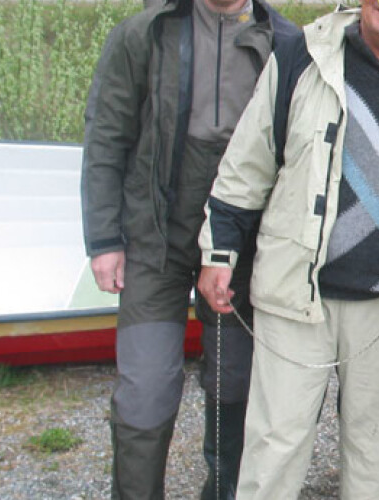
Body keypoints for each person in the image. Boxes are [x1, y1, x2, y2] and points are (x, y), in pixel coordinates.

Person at [196, 0, 379, 497]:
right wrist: (219, 253)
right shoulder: (299, 56)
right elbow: (245, 166)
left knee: (375, 453)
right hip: (295, 295)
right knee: (275, 445)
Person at [80, 0, 296, 498]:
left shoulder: (284, 42)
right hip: (153, 244)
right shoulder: (144, 34)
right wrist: (105, 239)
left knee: (235, 384)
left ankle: (224, 490)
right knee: (144, 391)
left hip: (239, 250)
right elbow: (106, 137)